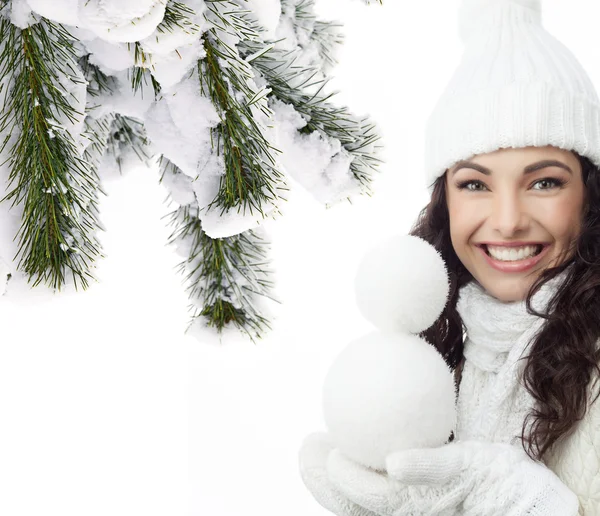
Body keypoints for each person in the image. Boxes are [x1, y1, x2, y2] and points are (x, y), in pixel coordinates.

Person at [298, 0, 600, 515]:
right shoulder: (441, 357)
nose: (507, 220)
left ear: (590, 195)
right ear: (446, 202)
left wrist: (535, 503)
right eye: (475, 184)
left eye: (544, 181)